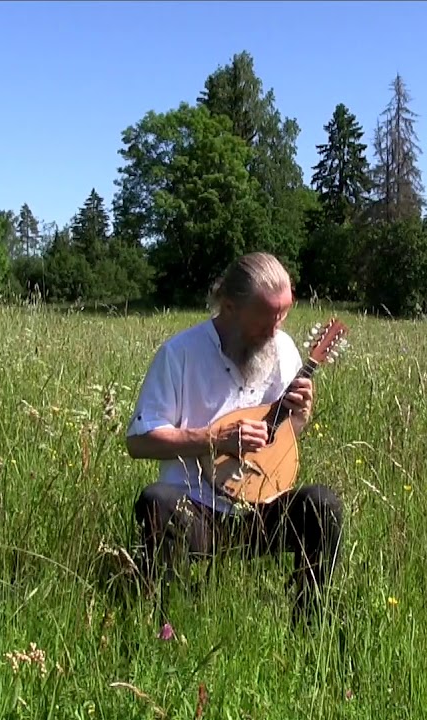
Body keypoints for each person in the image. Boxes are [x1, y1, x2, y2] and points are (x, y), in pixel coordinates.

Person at [124, 252, 344, 626]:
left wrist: (301, 414)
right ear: (229, 306)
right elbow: (139, 442)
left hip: (264, 511)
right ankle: (167, 623)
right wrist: (213, 439)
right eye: (265, 319)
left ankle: (310, 623)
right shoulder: (179, 355)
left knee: (322, 504)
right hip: (198, 512)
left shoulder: (284, 349)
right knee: (155, 501)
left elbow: (281, 438)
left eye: (284, 315)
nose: (276, 329)